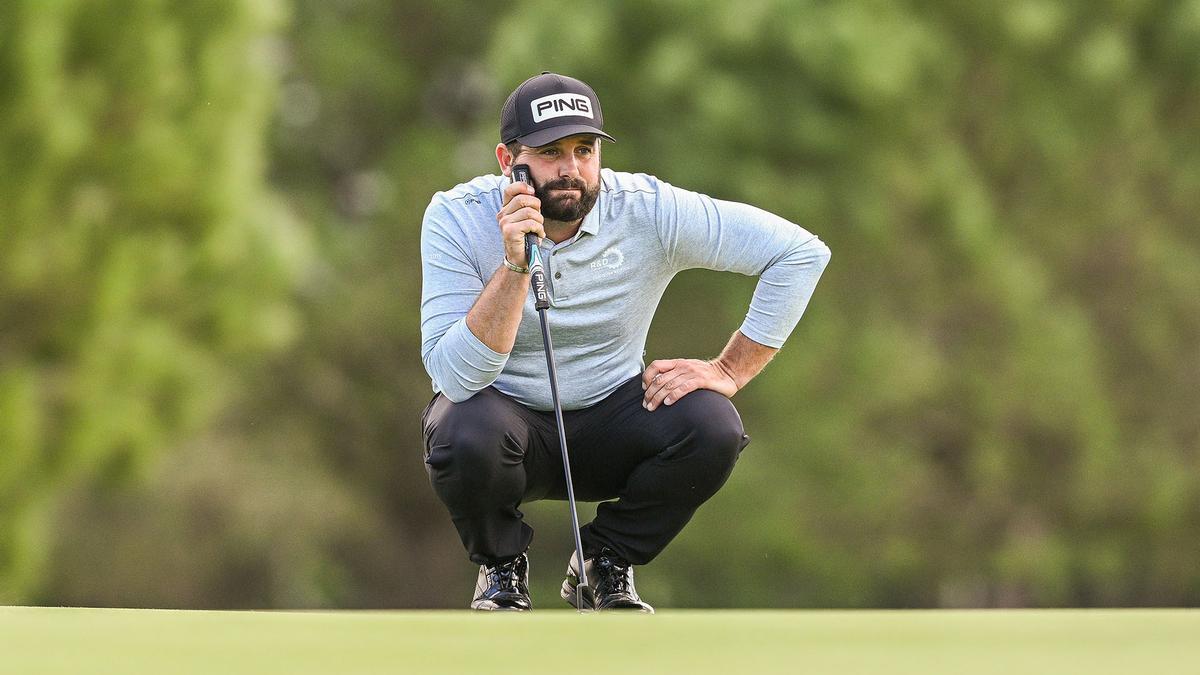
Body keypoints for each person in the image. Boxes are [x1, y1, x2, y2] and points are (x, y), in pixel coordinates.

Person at [420, 72, 830, 612]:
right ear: (507, 161)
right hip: (505, 429)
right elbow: (453, 378)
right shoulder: (454, 216)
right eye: (549, 153)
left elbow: (800, 253)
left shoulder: (648, 209)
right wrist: (515, 265)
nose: (571, 169)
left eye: (584, 150)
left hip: (612, 420)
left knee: (712, 425)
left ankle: (606, 559)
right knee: (459, 428)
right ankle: (501, 569)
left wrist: (730, 370)